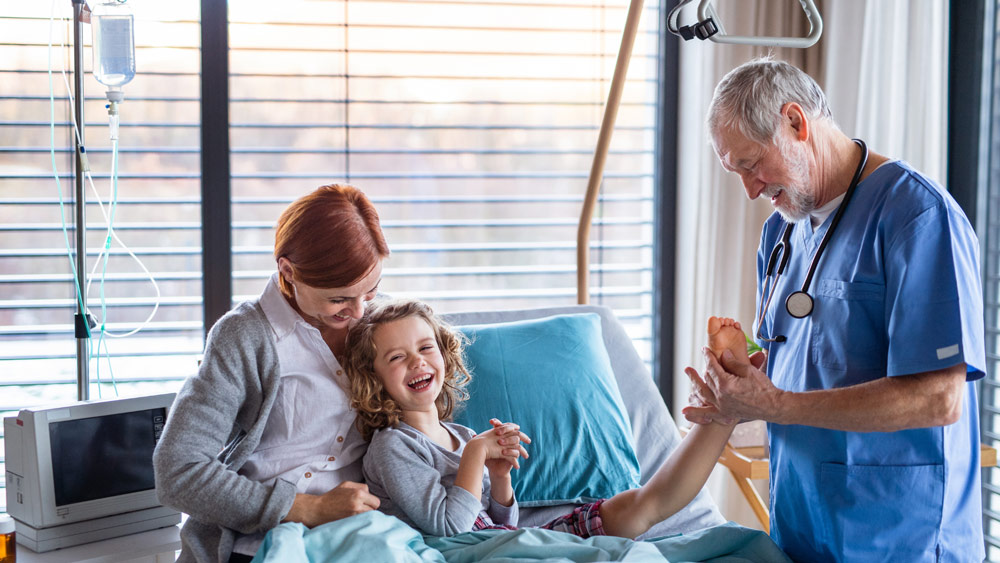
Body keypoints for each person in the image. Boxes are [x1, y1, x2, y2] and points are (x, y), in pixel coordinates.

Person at [683, 58, 986, 562]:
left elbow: (939, 399)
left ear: (796, 122)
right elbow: (801, 352)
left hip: (899, 540)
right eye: (734, 171)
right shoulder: (781, 232)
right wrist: (734, 388)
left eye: (751, 163)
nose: (751, 189)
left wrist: (773, 404)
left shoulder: (919, 217)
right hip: (802, 528)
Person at [342, 298, 739, 539]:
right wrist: (477, 455)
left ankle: (724, 404)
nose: (417, 361)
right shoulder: (394, 445)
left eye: (426, 347)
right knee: (640, 513)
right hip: (473, 551)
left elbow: (500, 521)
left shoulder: (458, 433)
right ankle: (723, 410)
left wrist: (500, 479)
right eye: (396, 357)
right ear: (372, 377)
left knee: (636, 508)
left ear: (443, 355)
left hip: (507, 539)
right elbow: (451, 529)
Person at [153, 185, 392, 563]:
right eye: (339, 299)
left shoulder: (385, 326)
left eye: (371, 292)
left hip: (361, 536)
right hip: (258, 542)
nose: (360, 312)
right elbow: (178, 471)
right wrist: (307, 509)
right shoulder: (244, 336)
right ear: (288, 271)